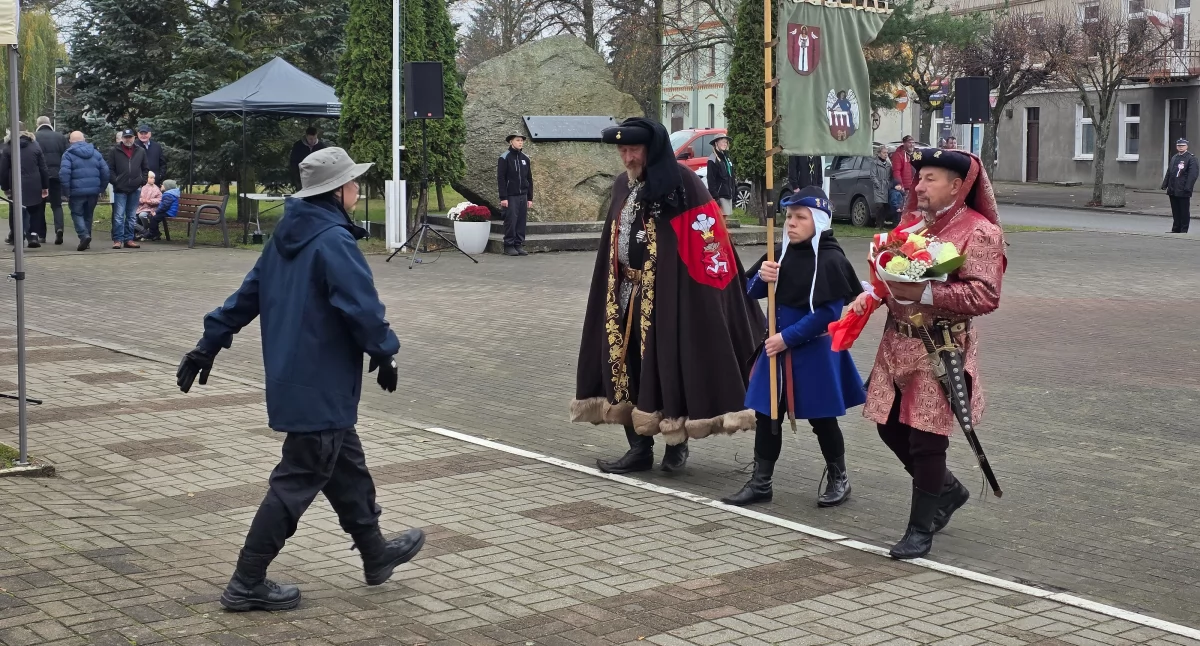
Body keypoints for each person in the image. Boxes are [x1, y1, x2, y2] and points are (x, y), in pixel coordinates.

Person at [175, 147, 424, 612]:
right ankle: (247, 580)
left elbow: (246, 295)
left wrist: (208, 342)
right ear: (337, 192)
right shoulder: (333, 242)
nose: (357, 188)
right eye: (353, 182)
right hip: (322, 381)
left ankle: (375, 553)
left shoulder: (287, 235)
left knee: (345, 465)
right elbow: (362, 307)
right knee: (299, 478)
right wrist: (385, 352)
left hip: (298, 379)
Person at [571, 117, 766, 473]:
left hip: (670, 298)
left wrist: (709, 297)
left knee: (670, 367)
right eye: (623, 150)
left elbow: (709, 244)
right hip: (624, 294)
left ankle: (676, 444)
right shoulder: (620, 186)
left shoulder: (682, 184)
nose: (628, 158)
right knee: (627, 368)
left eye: (634, 151)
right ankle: (638, 448)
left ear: (651, 149)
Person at [850, 148, 1006, 560]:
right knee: (887, 426)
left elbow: (986, 294)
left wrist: (927, 290)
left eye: (929, 178)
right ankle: (948, 491)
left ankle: (920, 530)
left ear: (958, 186)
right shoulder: (911, 226)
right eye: (918, 179)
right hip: (894, 343)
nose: (918, 186)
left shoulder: (980, 232)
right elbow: (887, 275)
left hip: (939, 347)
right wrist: (870, 294)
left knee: (927, 438)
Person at [724, 187, 865, 508]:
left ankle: (839, 477)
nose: (791, 223)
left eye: (800, 217)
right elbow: (750, 291)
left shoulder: (830, 259)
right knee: (766, 415)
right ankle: (761, 482)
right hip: (776, 349)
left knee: (822, 418)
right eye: (788, 216)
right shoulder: (779, 253)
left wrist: (786, 338)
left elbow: (828, 314)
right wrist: (763, 276)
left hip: (813, 352)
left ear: (818, 221)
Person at [59, 131, 111, 252]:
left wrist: (66, 192)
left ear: (71, 141)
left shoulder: (68, 154)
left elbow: (64, 174)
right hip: (93, 191)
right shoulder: (96, 153)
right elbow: (105, 172)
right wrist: (101, 188)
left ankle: (84, 236)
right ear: (84, 139)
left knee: (77, 214)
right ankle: (87, 239)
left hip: (76, 191)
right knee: (88, 215)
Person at [1, 123, 49, 249]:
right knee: (35, 210)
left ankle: (18, 237)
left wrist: (5, 188)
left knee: (16, 211)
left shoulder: (8, 147)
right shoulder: (35, 145)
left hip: (16, 184)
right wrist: (45, 186)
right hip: (34, 182)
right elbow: (43, 168)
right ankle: (33, 235)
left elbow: (3, 170)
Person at [107, 129, 149, 249]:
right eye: (126, 137)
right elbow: (110, 169)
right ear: (122, 138)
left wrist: (142, 181)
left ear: (134, 138)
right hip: (120, 188)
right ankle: (117, 240)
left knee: (131, 216)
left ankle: (129, 239)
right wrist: (115, 181)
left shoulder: (140, 151)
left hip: (135, 188)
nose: (128, 139)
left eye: (130, 137)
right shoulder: (114, 151)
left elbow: (145, 168)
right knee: (119, 216)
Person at [497, 132, 533, 256]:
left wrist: (530, 197)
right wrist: (503, 197)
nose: (520, 142)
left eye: (522, 140)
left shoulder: (525, 158)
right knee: (511, 220)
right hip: (510, 196)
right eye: (517, 140)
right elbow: (501, 178)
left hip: (523, 195)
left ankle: (518, 244)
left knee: (521, 221)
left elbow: (529, 178)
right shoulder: (505, 157)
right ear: (511, 142)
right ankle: (508, 245)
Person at [34, 116, 68, 245]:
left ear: (38, 124)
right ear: (50, 124)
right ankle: (59, 229)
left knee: (39, 206)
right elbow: (66, 155)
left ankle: (41, 235)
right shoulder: (60, 137)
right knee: (57, 205)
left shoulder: (34, 137)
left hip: (40, 176)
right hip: (57, 175)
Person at [1162, 138, 1197, 234]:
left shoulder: (1191, 158)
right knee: (1175, 210)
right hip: (1173, 188)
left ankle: (1183, 230)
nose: (1180, 147)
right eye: (1179, 146)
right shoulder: (1174, 157)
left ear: (1186, 146)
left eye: (1182, 146)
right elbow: (1170, 172)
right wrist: (1165, 184)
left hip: (1183, 189)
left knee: (1184, 210)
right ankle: (1175, 229)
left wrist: (1188, 188)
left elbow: (1192, 175)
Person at [706, 134, 735, 218]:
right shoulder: (712, 159)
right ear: (716, 143)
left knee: (724, 218)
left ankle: (724, 231)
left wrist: (733, 191)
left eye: (726, 142)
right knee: (720, 218)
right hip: (720, 195)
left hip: (727, 193)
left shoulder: (726, 158)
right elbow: (711, 179)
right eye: (722, 142)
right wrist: (715, 196)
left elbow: (731, 176)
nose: (725, 144)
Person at [870, 144, 893, 228]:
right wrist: (878, 184)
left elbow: (890, 176)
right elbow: (873, 175)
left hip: (886, 186)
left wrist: (889, 184)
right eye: (884, 153)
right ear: (879, 153)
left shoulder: (888, 164)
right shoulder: (875, 163)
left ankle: (882, 224)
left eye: (887, 153)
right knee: (879, 205)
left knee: (885, 206)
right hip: (879, 187)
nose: (886, 154)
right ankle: (878, 224)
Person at [135, 171, 163, 238]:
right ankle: (145, 231)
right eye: (151, 178)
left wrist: (150, 201)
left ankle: (145, 230)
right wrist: (142, 200)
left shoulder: (156, 189)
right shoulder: (143, 188)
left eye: (154, 178)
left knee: (142, 215)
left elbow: (160, 199)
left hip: (151, 208)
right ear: (147, 178)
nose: (153, 179)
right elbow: (137, 198)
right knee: (132, 219)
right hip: (141, 207)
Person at [891, 136, 916, 201]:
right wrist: (900, 185)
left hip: (914, 186)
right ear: (904, 143)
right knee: (906, 206)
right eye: (909, 143)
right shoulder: (898, 155)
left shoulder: (915, 154)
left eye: (913, 143)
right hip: (906, 187)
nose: (912, 145)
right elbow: (896, 172)